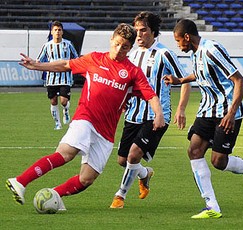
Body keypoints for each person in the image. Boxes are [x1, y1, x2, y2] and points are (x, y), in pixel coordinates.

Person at [6, 23, 165, 211]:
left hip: (105, 133)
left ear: (130, 48)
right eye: (117, 44)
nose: (119, 49)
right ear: (111, 40)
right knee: (65, 154)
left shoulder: (132, 72)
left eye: (124, 47)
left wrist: (159, 114)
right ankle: (20, 182)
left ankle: (54, 194)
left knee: (86, 179)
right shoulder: (94, 59)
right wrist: (37, 65)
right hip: (85, 118)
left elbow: (151, 95)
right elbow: (66, 64)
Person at [164, 19, 243, 219]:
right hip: (207, 111)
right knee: (194, 151)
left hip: (226, 113)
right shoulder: (195, 53)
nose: (178, 46)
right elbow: (201, 73)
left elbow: (239, 80)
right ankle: (212, 206)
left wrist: (231, 113)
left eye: (178, 41)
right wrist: (180, 80)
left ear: (187, 37)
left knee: (219, 161)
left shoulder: (212, 50)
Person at [109, 12, 191, 209]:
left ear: (153, 32)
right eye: (136, 30)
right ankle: (145, 174)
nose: (138, 35)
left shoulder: (164, 54)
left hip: (156, 115)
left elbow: (184, 80)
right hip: (133, 114)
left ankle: (120, 196)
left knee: (134, 155)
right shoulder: (132, 53)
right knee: (123, 160)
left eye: (143, 30)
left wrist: (180, 108)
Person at [37, 20, 78, 130]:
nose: (57, 32)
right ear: (51, 32)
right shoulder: (47, 46)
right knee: (53, 101)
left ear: (62, 32)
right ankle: (57, 123)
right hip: (51, 79)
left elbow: (76, 57)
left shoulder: (68, 44)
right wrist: (32, 64)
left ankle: (66, 110)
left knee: (63, 101)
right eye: (55, 30)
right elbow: (39, 60)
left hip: (66, 78)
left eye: (59, 30)